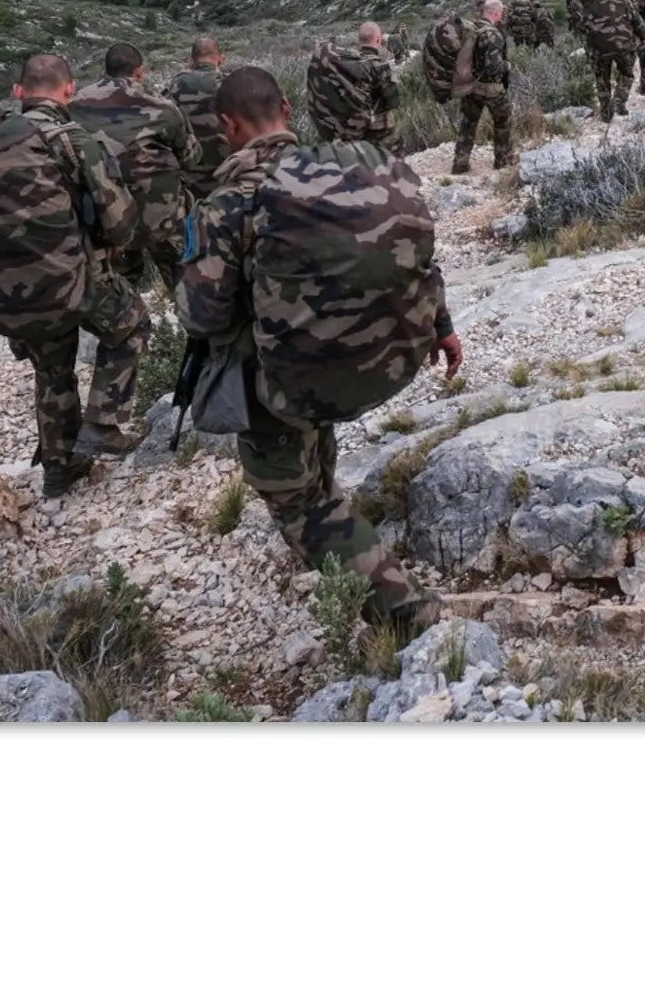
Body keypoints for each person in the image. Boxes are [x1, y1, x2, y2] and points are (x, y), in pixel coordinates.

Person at [177, 65, 459, 636]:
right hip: (368, 357)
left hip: (282, 380)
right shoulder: (344, 180)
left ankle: (405, 613)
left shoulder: (226, 204)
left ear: (226, 126)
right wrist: (442, 325)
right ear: (286, 108)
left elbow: (200, 315)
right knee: (309, 435)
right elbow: (412, 261)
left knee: (293, 497)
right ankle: (326, 490)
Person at [0, 52, 151, 499]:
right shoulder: (75, 141)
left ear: (18, 93)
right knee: (131, 323)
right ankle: (104, 424)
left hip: (9, 289)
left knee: (53, 368)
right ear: (69, 90)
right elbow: (120, 223)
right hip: (72, 277)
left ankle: (60, 468)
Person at [70, 42, 199, 289]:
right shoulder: (162, 106)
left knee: (121, 291)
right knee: (186, 285)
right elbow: (190, 158)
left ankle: (132, 322)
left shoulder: (75, 105)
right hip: (161, 220)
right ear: (139, 72)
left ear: (104, 71)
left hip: (108, 221)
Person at [306, 22, 400, 145]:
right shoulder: (380, 67)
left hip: (339, 134)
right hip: (374, 136)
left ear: (359, 40)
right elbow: (393, 102)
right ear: (379, 39)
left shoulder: (342, 63)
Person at [451, 0, 514, 175]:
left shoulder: (471, 29)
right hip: (490, 88)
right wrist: (507, 66)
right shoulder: (492, 34)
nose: (502, 15)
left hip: (470, 87)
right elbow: (493, 68)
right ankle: (502, 160)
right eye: (501, 12)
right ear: (495, 12)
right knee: (503, 121)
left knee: (468, 124)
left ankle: (460, 164)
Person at [166, 37, 231, 201]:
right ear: (220, 59)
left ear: (190, 61)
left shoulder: (175, 85)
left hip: (190, 180)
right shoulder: (231, 84)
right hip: (227, 176)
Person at [578, 0, 641, 122]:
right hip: (623, 45)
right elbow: (637, 20)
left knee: (602, 78)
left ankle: (606, 113)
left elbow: (581, 24)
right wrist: (643, 36)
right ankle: (619, 101)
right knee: (627, 74)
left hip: (598, 47)